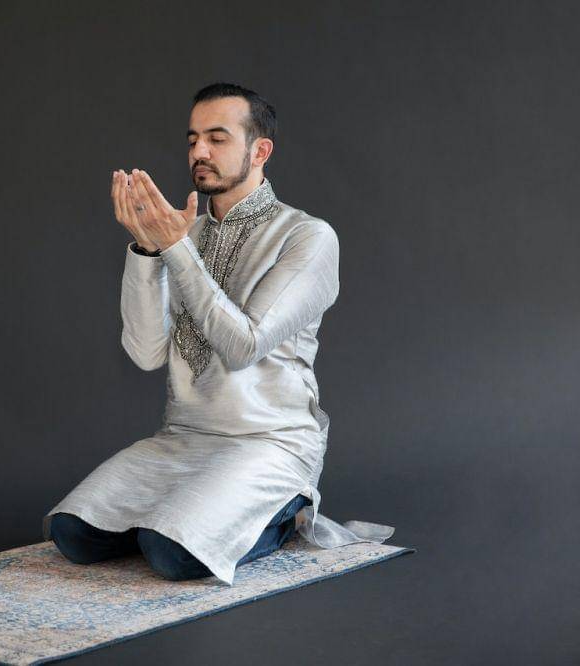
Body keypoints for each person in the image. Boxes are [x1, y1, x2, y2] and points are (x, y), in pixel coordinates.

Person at [42, 82, 395, 586]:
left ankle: (285, 513)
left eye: (217, 138)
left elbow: (243, 345)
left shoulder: (307, 236)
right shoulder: (184, 233)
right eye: (192, 139)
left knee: (170, 555)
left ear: (260, 151)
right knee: (73, 534)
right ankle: (190, 516)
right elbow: (145, 353)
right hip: (183, 439)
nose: (199, 151)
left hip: (267, 443)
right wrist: (146, 252)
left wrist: (175, 251)